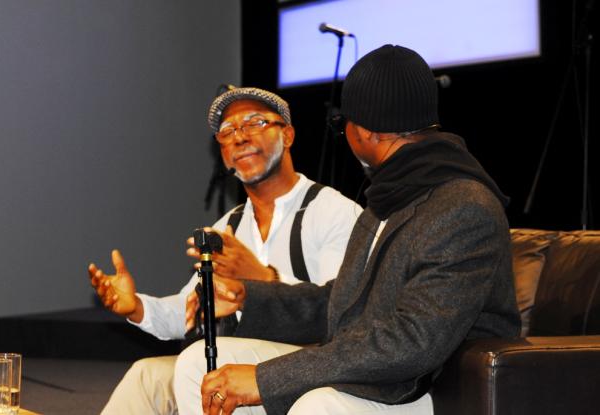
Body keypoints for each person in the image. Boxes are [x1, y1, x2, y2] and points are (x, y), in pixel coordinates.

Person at [173, 45, 521, 415]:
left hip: (431, 389)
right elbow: (341, 304)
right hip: (380, 373)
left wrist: (265, 378)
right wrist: (248, 296)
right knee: (200, 367)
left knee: (320, 405)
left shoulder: (462, 207)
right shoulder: (388, 200)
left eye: (343, 124)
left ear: (365, 131)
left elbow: (412, 341)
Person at [88, 87, 361, 414]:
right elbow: (188, 310)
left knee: (202, 362)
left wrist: (263, 279)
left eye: (255, 123)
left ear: (287, 135)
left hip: (313, 361)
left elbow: (341, 311)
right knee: (146, 375)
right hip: (244, 355)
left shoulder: (334, 211)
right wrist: (137, 307)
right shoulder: (227, 227)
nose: (240, 137)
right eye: (228, 131)